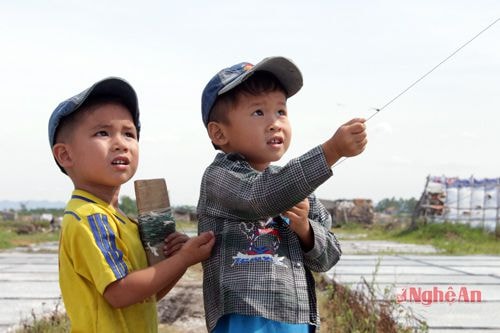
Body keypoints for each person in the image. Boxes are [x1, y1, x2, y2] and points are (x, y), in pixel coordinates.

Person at [198, 56, 367, 332]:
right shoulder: (220, 177)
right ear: (219, 133)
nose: (275, 123)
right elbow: (259, 196)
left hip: (295, 320)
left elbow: (328, 257)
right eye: (258, 113)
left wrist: (305, 229)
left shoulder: (298, 188)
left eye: (281, 111)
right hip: (243, 320)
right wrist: (331, 151)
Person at [48, 77, 215, 332]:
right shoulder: (91, 217)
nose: (120, 143)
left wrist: (178, 260)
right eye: (102, 133)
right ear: (65, 155)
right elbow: (121, 293)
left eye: (129, 133)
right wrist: (183, 260)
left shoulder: (120, 220)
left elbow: (146, 296)